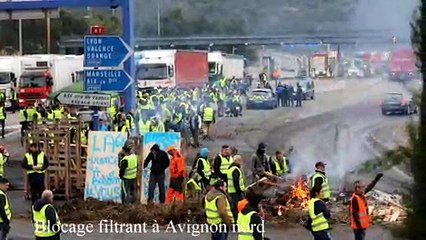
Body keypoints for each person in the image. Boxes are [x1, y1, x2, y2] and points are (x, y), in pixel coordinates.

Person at [350, 173, 384, 240]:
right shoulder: (355, 199)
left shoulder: (361, 195)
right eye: (363, 187)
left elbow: (369, 187)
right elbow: (355, 214)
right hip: (358, 227)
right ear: (357, 188)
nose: (364, 188)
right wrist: (360, 226)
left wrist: (376, 179)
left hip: (362, 226)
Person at [227, 155, 246, 222]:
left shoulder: (230, 169)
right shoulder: (235, 169)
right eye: (240, 160)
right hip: (237, 192)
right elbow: (236, 182)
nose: (241, 162)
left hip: (232, 191)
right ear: (237, 161)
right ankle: (237, 220)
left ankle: (235, 220)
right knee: (239, 207)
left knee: (234, 207)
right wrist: (239, 192)